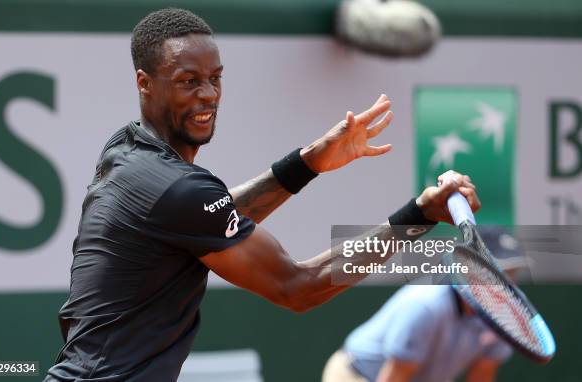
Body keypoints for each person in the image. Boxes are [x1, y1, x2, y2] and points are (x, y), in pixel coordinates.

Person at [44, 8, 480, 382]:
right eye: (188, 81)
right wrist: (418, 215)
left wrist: (307, 162)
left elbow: (209, 217)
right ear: (145, 83)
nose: (209, 95)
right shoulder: (177, 188)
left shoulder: (126, 151)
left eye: (215, 78)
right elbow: (297, 287)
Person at [322, 226, 526, 382]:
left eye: (511, 273)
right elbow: (394, 377)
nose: (506, 282)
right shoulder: (426, 306)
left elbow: (482, 374)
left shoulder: (506, 315)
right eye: (498, 272)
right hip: (358, 375)